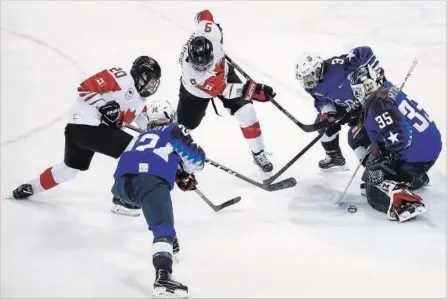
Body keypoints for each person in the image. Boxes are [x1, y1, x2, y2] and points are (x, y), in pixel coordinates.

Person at [10, 56, 161, 209]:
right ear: (137, 73)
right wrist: (104, 105)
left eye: (153, 82)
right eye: (147, 78)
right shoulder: (121, 77)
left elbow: (148, 128)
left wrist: (164, 137)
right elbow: (85, 87)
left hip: (82, 133)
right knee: (135, 149)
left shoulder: (141, 104)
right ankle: (122, 200)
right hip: (87, 126)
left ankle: (31, 187)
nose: (149, 85)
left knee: (69, 170)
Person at [111, 99, 205, 298]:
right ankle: (163, 277)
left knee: (153, 205)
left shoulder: (142, 135)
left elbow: (149, 156)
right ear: (170, 116)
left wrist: (177, 173)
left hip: (121, 186)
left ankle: (125, 206)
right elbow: (197, 161)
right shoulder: (173, 129)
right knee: (163, 228)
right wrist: (186, 171)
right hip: (149, 181)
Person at [177, 9, 276, 173]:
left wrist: (213, 25)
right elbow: (225, 90)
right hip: (195, 92)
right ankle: (175, 154)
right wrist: (252, 90)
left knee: (247, 111)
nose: (202, 67)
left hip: (224, 74)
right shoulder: (193, 75)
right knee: (184, 127)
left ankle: (258, 153)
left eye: (205, 63)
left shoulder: (211, 32)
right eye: (198, 65)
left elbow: (204, 14)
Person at [349, 65, 442, 221]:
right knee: (373, 170)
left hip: (417, 154)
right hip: (428, 145)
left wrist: (385, 160)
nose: (366, 91)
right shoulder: (387, 88)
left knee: (373, 188)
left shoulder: (378, 105)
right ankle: (415, 177)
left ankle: (404, 202)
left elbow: (402, 135)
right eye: (362, 89)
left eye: (368, 86)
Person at [295, 46, 384, 172]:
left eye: (308, 77)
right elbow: (321, 101)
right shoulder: (312, 86)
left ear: (317, 70)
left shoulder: (338, 67)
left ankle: (378, 173)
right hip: (343, 110)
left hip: (365, 107)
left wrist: (378, 71)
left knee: (356, 139)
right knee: (321, 125)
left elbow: (365, 51)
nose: (306, 81)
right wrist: (328, 111)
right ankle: (334, 157)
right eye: (304, 78)